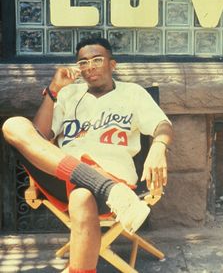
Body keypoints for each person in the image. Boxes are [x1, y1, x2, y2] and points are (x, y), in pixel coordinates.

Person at [2, 37, 173, 273]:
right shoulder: (69, 94)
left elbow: (162, 125)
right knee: (13, 125)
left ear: (113, 65)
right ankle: (106, 188)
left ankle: (103, 188)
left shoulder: (133, 93)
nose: (89, 67)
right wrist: (53, 91)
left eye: (97, 60)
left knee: (82, 196)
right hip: (62, 176)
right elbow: (39, 136)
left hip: (114, 175)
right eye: (83, 62)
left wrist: (158, 148)